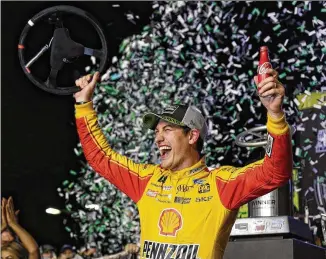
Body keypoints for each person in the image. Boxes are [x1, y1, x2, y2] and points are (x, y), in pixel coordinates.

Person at [73, 69, 292, 259]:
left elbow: (275, 173)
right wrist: (83, 105)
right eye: (157, 132)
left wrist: (274, 114)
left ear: (192, 136)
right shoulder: (146, 179)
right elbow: (99, 157)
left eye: (167, 130)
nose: (158, 138)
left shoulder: (221, 185)